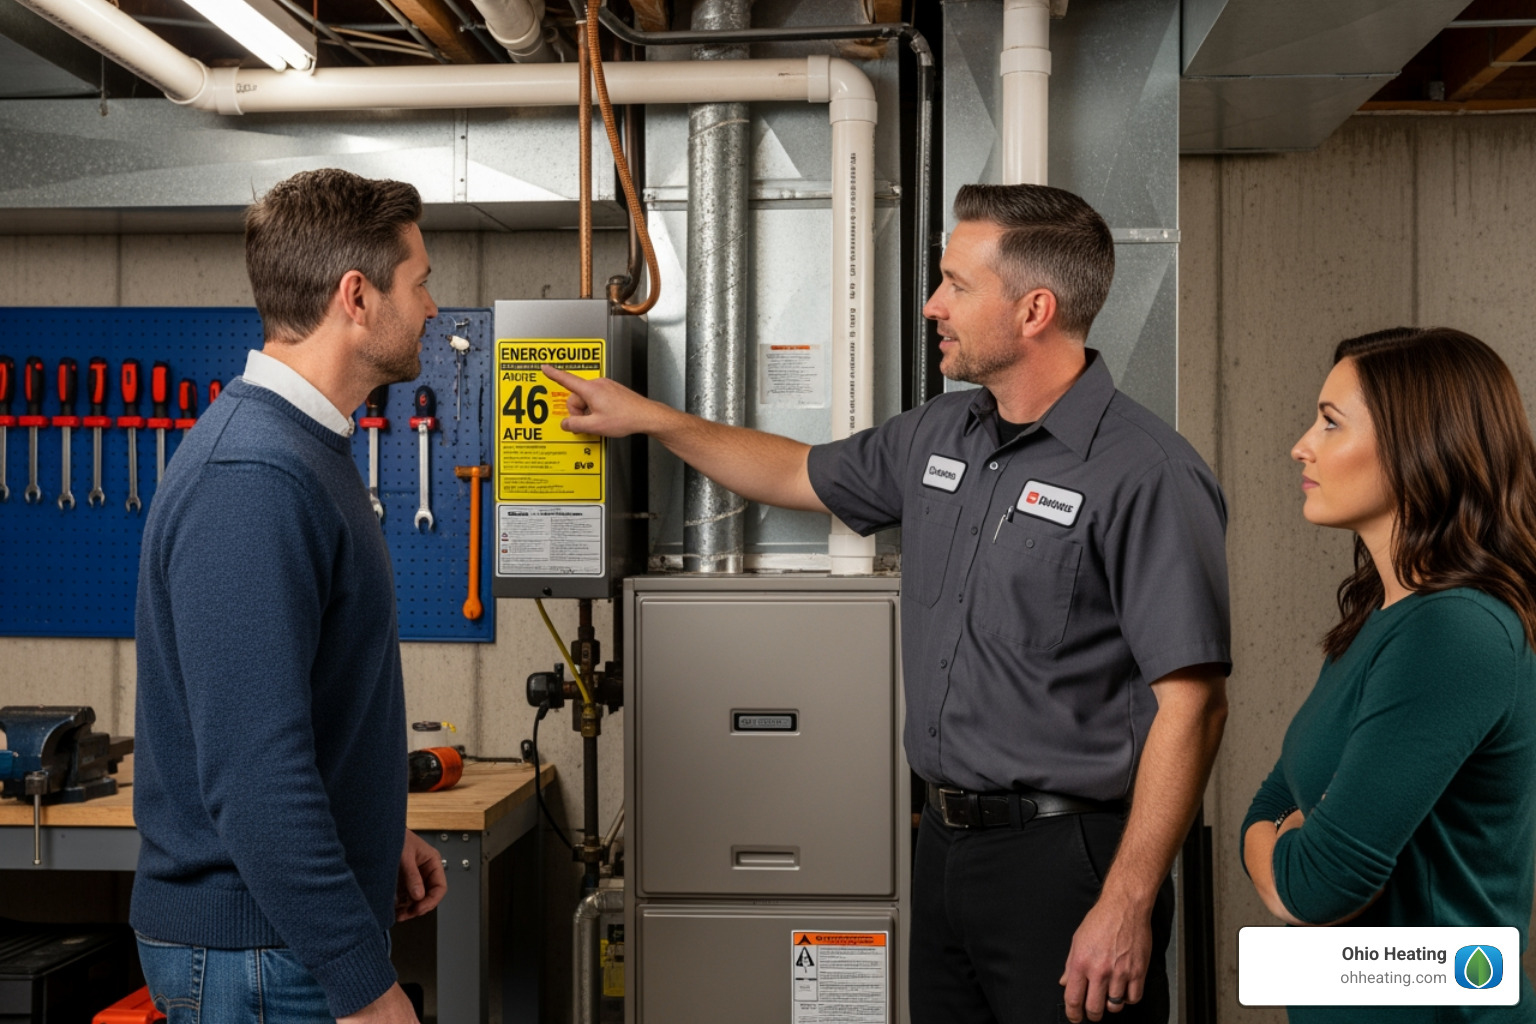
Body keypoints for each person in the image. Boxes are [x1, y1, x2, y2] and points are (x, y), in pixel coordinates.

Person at [546, 183, 1231, 1024]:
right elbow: (795, 471)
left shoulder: (1147, 474)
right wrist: (650, 418)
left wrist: (1127, 901)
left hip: (1069, 860)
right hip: (943, 848)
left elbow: (1192, 705)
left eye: (956, 284)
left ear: (1034, 310)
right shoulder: (941, 435)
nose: (933, 304)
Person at [131, 168, 446, 1024]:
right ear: (357, 296)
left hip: (279, 938)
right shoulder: (253, 476)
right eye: (419, 283)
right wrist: (364, 986)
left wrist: (375, 838)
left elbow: (309, 713)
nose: (429, 306)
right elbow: (254, 774)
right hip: (260, 956)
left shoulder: (306, 452)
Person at [1243, 327, 1536, 1021]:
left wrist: (1288, 855)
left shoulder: (1454, 632)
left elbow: (1317, 887)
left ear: (1420, 446)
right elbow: (1270, 802)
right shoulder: (1383, 617)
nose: (1301, 445)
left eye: (1330, 423)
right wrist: (1287, 845)